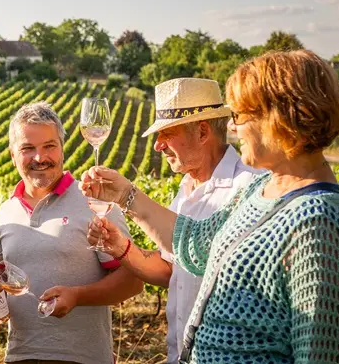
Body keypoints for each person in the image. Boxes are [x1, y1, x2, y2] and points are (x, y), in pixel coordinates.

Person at [83, 50, 339, 363]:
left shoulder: (317, 223)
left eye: (241, 115)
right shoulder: (262, 190)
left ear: (281, 119)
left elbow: (322, 355)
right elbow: (198, 244)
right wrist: (125, 196)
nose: (234, 126)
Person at [0, 101, 144, 364]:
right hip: (19, 356)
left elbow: (133, 281)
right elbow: (2, 288)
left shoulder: (94, 202)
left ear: (62, 149)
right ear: (12, 154)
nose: (40, 158)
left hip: (82, 358)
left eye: (49, 146)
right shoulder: (5, 212)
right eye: (28, 148)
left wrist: (77, 296)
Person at [106, 78, 261, 363]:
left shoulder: (248, 188)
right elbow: (170, 268)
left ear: (202, 132)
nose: (157, 146)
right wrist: (120, 248)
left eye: (166, 134)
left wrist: (128, 196)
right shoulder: (186, 188)